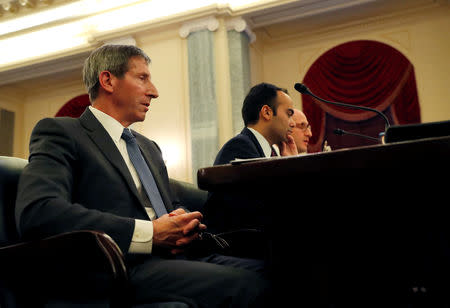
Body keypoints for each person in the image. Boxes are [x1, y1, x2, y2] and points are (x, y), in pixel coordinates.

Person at [15, 44, 270, 307]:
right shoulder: (61, 132)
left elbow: (166, 209)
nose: (154, 91)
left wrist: (182, 222)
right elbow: (38, 211)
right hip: (119, 267)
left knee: (283, 272)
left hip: (177, 259)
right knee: (250, 286)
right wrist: (149, 233)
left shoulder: (149, 148)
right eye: (142, 78)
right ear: (107, 80)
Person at [203, 83, 297, 235]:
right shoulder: (240, 147)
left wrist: (288, 164)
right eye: (289, 113)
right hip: (238, 245)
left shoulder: (268, 151)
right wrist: (292, 168)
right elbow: (267, 206)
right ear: (266, 112)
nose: (292, 123)